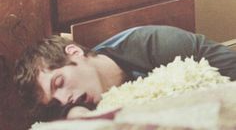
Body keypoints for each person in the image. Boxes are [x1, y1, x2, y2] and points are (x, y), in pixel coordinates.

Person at [14, 25, 236, 122]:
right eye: (55, 101)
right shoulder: (72, 104)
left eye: (59, 83)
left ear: (74, 52)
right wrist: (73, 112)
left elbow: (231, 67)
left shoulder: (153, 44)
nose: (64, 99)